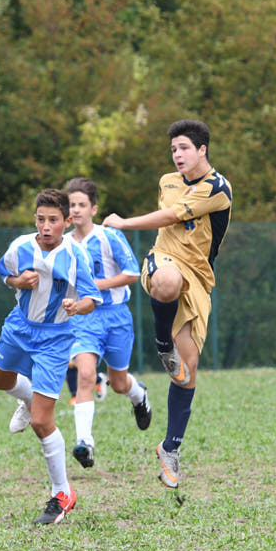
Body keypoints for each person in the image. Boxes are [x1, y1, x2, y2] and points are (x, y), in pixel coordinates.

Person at [103, 119, 232, 489]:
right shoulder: (167, 181)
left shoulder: (217, 187)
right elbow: (170, 225)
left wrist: (124, 222)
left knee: (187, 372)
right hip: (163, 262)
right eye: (174, 149)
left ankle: (170, 448)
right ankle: (163, 343)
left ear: (202, 149)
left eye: (184, 148)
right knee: (167, 281)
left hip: (200, 278)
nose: (177, 154)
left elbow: (175, 215)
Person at [0, 189, 102, 525]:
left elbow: (92, 299)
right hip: (19, 326)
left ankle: (62, 492)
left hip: (54, 338)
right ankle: (27, 399)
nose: (46, 226)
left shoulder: (76, 255)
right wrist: (18, 281)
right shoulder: (20, 246)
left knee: (41, 422)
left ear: (67, 221)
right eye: (41, 219)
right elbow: (4, 273)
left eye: (53, 220)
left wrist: (76, 306)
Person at [64, 177, 152, 469]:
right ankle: (84, 442)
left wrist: (96, 285)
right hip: (83, 318)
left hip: (116, 317)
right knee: (86, 375)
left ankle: (139, 395)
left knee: (118, 383)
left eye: (81, 205)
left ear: (93, 209)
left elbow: (132, 273)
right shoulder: (63, 243)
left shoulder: (108, 236)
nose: (76, 210)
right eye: (71, 205)